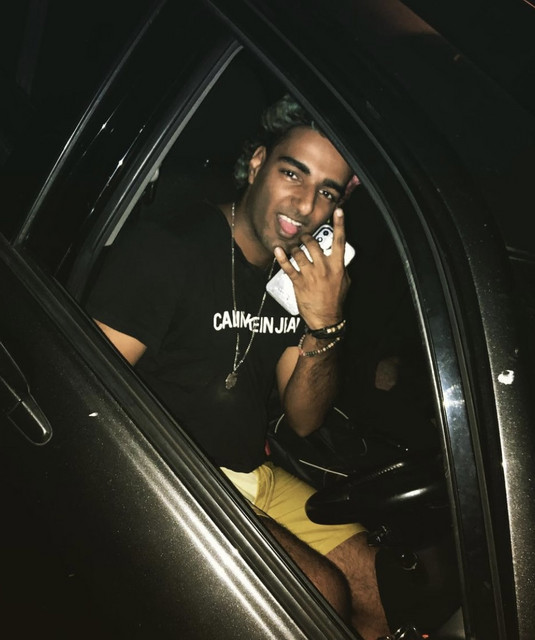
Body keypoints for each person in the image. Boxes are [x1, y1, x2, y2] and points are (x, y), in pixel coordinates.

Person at [87, 94, 390, 639]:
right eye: (292, 173)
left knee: (379, 580)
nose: (304, 205)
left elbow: (304, 419)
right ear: (256, 164)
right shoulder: (169, 249)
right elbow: (88, 397)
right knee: (320, 595)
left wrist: (324, 324)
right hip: (179, 476)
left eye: (326, 192)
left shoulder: (296, 280)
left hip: (255, 472)